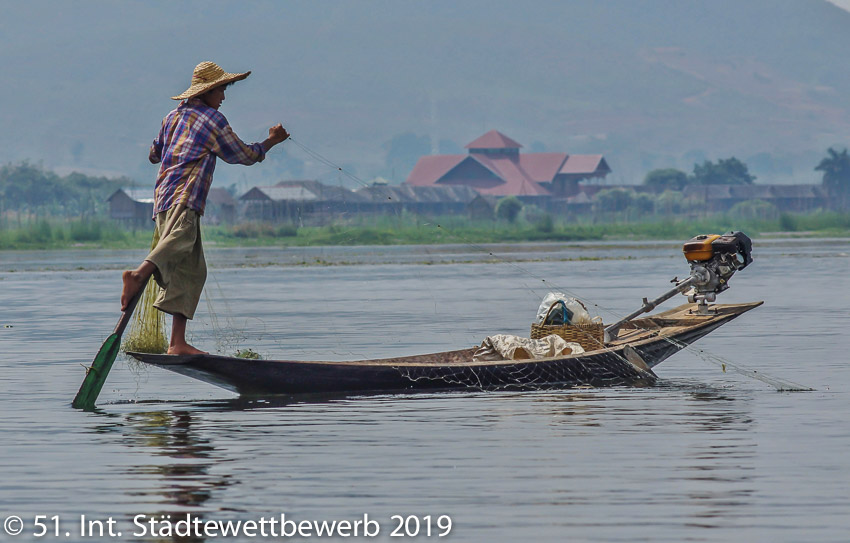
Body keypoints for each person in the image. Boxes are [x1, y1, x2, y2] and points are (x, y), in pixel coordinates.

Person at [120, 61, 289, 355]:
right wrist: (271, 142)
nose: (223, 97)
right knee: (181, 239)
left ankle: (177, 343)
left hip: (163, 197)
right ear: (208, 91)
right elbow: (244, 156)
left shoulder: (171, 118)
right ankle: (138, 274)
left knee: (192, 271)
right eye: (221, 89)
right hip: (185, 197)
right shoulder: (213, 121)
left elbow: (153, 154)